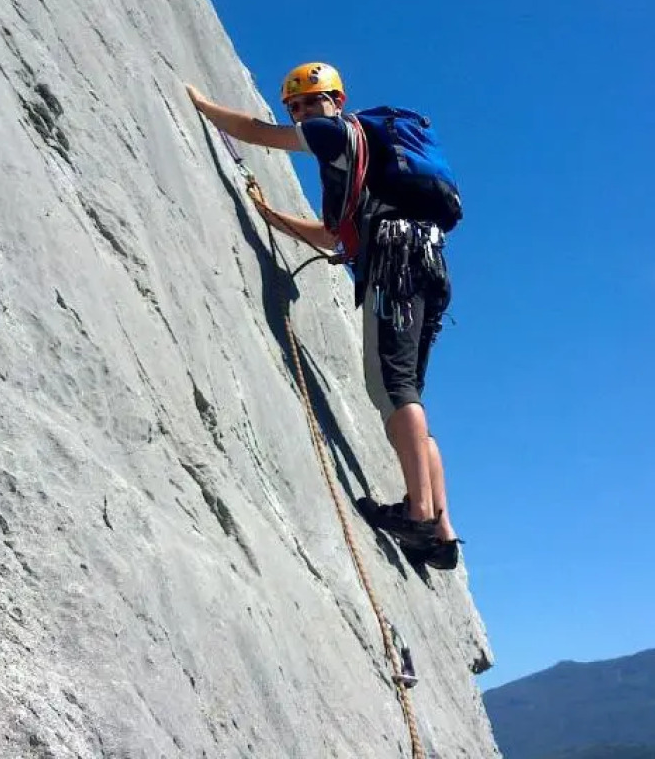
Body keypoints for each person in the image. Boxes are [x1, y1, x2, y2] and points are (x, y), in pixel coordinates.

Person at [187, 63, 461, 569]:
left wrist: (203, 106)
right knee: (408, 391)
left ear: (336, 99)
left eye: (312, 101)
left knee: (392, 386)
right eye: (297, 106)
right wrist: (273, 217)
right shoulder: (361, 161)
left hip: (394, 262)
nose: (304, 112)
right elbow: (335, 237)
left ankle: (420, 512)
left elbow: (255, 132)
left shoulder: (334, 133)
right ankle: (440, 534)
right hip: (425, 263)